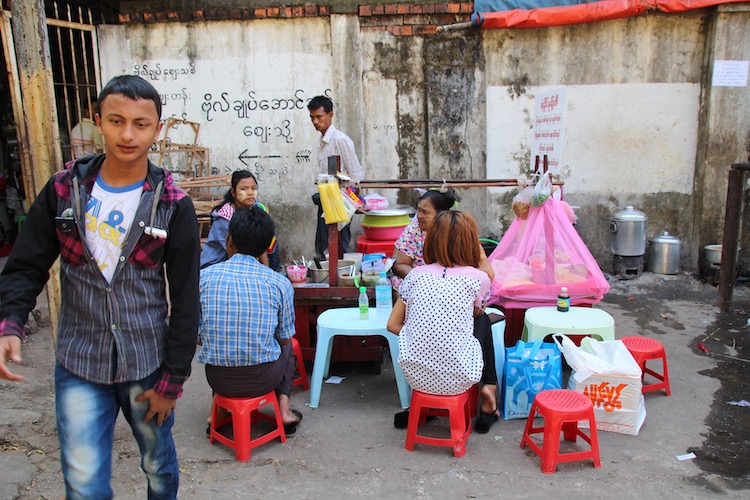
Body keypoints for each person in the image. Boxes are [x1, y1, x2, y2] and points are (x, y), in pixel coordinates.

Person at [0, 75, 200, 499]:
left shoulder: (173, 204)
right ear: (98, 122)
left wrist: (173, 380)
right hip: (79, 363)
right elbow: (25, 265)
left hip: (146, 361)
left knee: (158, 467)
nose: (128, 134)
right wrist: (10, 321)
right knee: (84, 483)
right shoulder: (63, 190)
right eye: (116, 120)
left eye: (140, 124)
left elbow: (186, 299)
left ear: (157, 129)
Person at [387, 211, 500, 434]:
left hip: (415, 376)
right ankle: (489, 389)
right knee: (482, 319)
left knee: (444, 332)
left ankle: (422, 406)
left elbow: (392, 325)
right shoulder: (477, 278)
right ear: (471, 243)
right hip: (461, 376)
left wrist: (421, 336)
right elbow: (481, 299)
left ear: (430, 241)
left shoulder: (415, 275)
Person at [198, 206, 302, 436]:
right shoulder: (279, 283)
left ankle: (218, 411)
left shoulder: (204, 278)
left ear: (229, 241)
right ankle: (283, 408)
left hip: (218, 379)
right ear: (267, 247)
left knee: (221, 341)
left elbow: (197, 335)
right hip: (263, 379)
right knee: (288, 345)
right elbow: (284, 338)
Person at [391, 189, 495, 289]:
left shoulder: (459, 230)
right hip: (421, 283)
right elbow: (400, 264)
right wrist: (425, 280)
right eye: (419, 210)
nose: (419, 216)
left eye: (425, 212)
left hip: (457, 284)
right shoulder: (413, 231)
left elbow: (485, 270)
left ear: (441, 214)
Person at [307, 95, 365, 259]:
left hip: (340, 201)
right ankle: (329, 279)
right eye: (312, 118)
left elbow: (356, 174)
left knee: (338, 246)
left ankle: (340, 280)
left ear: (330, 115)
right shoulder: (324, 140)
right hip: (327, 199)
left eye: (319, 116)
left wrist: (352, 201)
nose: (315, 121)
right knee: (324, 245)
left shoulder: (340, 140)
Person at [199, 170, 279, 270]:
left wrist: (268, 271)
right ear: (233, 192)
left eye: (253, 188)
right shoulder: (224, 218)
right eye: (244, 189)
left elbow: (260, 243)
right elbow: (233, 252)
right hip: (217, 264)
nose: (250, 193)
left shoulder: (256, 209)